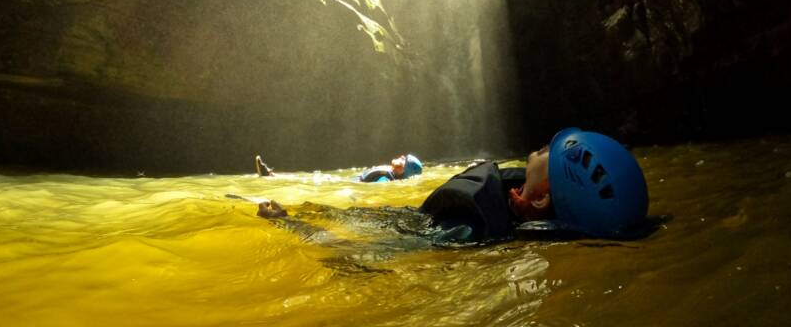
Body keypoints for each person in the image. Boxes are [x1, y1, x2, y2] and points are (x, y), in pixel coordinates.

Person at [246, 128, 651, 243]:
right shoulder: (517, 192)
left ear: (543, 196)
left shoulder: (469, 227)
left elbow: (369, 251)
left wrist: (288, 224)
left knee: (331, 216)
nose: (548, 145)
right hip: (400, 216)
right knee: (332, 208)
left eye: (555, 152)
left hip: (404, 225)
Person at [356, 153, 423, 182]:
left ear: (402, 170)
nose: (402, 156)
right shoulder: (390, 173)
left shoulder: (384, 179)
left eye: (404, 159)